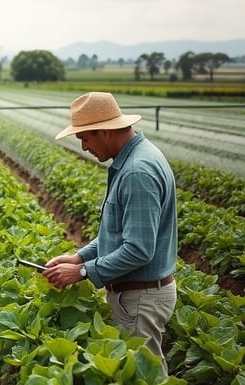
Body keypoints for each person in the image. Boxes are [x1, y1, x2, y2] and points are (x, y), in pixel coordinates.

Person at [42, 92, 177, 375]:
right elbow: (118, 234)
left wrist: (81, 273)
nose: (83, 146)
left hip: (141, 299)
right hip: (138, 295)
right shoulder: (135, 159)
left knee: (144, 377)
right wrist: (78, 258)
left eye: (85, 138)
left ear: (104, 132)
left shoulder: (137, 172)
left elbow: (138, 249)